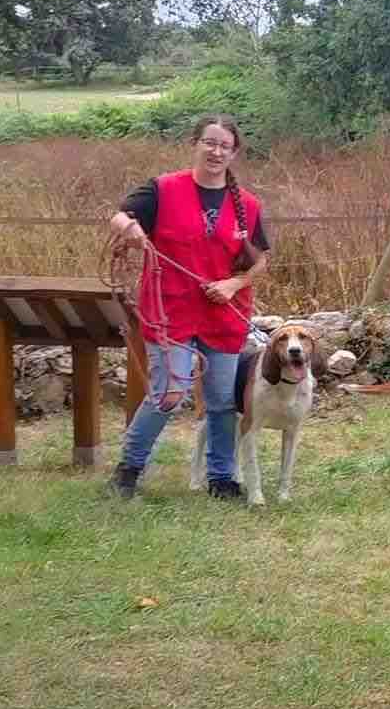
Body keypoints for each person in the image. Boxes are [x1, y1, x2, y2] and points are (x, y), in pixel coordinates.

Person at [107, 115, 270, 499]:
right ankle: (128, 469)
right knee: (169, 393)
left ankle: (221, 478)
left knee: (221, 400)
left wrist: (233, 284)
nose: (216, 151)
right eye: (209, 143)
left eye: (224, 146)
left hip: (224, 313)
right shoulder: (162, 189)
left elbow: (260, 260)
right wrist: (128, 230)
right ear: (195, 143)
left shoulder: (248, 204)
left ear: (234, 153)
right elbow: (118, 216)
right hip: (171, 311)